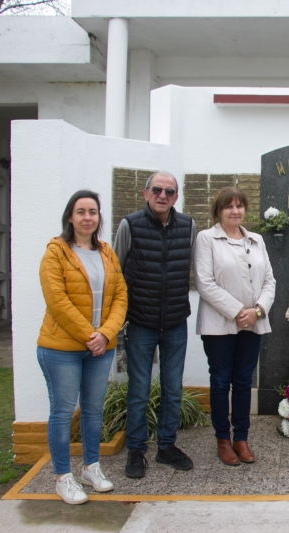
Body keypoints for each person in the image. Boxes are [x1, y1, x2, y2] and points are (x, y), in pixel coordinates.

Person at [37, 190, 128, 504]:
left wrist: (105, 333)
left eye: (93, 211)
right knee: (62, 413)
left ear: (99, 217)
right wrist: (90, 334)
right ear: (70, 217)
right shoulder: (56, 252)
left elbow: (120, 297)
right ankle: (63, 476)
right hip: (61, 348)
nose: (88, 217)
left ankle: (91, 467)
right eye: (81, 211)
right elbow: (57, 301)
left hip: (99, 348)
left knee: (93, 410)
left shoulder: (106, 252)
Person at [114, 171, 197, 478]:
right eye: (158, 190)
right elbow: (116, 271)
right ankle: (136, 451)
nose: (164, 195)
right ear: (146, 193)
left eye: (170, 191)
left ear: (176, 197)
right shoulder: (130, 225)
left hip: (175, 322)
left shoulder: (188, 226)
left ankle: (166, 446)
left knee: (173, 389)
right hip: (141, 323)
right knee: (138, 391)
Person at [194, 187, 275, 466]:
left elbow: (269, 282)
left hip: (252, 324)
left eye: (240, 206)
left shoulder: (256, 240)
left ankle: (241, 438)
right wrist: (238, 311)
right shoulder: (207, 239)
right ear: (219, 210)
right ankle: (223, 441)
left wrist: (258, 311)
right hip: (219, 325)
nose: (235, 211)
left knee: (243, 382)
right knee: (220, 382)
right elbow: (205, 283)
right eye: (229, 206)